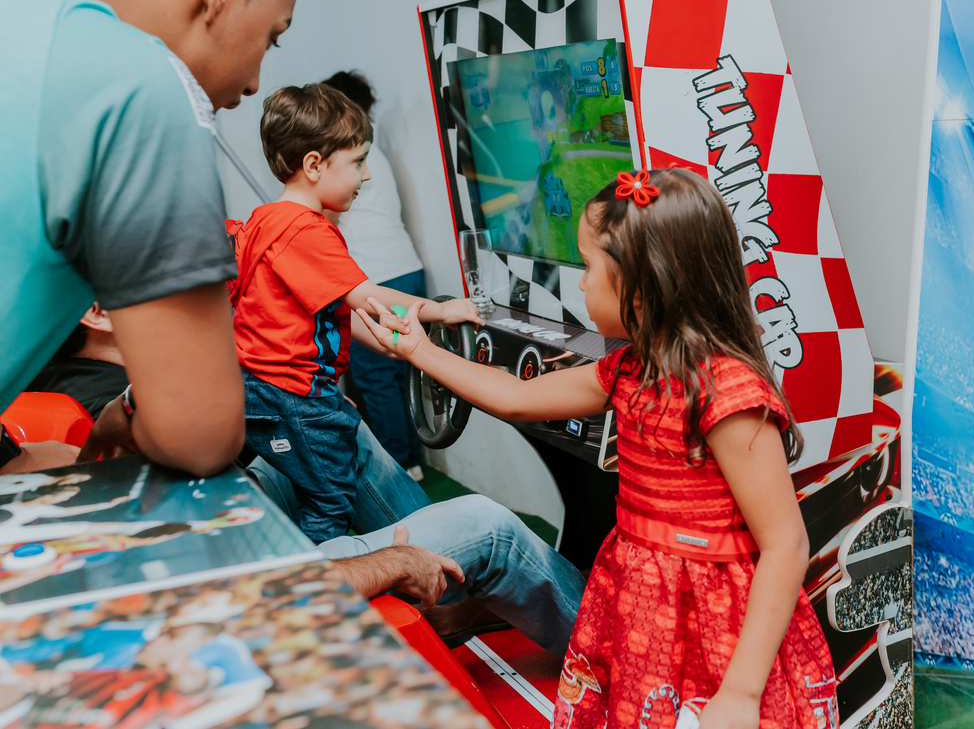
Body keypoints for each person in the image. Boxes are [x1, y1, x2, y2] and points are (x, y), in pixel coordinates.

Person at [361, 169, 840, 729]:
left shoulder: (727, 394)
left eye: (590, 269)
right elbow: (516, 397)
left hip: (713, 624)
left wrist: (739, 693)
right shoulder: (629, 370)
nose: (581, 284)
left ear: (646, 285)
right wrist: (420, 350)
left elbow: (785, 543)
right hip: (640, 602)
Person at [23, 321, 585, 653]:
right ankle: (615, 652)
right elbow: (237, 584)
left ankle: (448, 592)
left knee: (338, 430)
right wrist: (393, 560)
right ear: (99, 313)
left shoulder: (110, 393)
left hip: (228, 522)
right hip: (236, 565)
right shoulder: (108, 394)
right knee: (491, 527)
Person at [0, 0, 299, 475]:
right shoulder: (139, 80)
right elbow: (202, 436)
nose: (256, 82)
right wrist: (129, 413)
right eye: (272, 36)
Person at [228, 83, 478, 542]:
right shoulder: (305, 229)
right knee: (329, 500)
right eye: (358, 162)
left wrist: (385, 341)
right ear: (314, 166)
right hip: (293, 394)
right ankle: (325, 585)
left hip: (266, 390)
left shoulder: (265, 219)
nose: (366, 176)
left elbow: (333, 309)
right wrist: (439, 312)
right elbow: (369, 297)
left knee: (317, 479)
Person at [320, 70, 427, 478]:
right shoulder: (373, 153)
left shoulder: (349, 160)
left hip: (376, 280)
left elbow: (325, 219)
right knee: (400, 373)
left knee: (376, 377)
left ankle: (399, 465)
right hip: (406, 268)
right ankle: (412, 459)